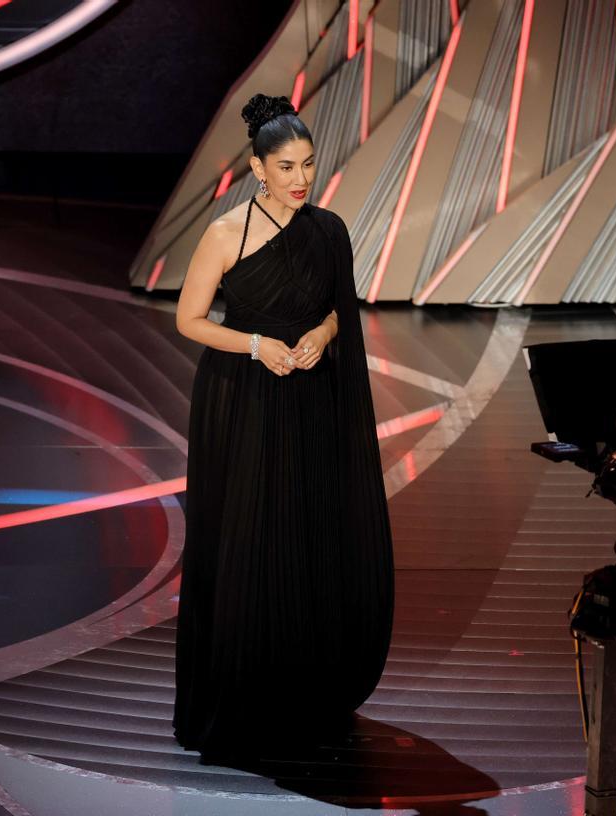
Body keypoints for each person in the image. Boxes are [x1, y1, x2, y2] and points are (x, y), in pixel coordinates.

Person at [172, 93, 394, 760]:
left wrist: (322, 336)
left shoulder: (328, 231)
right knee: (249, 539)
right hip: (243, 400)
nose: (302, 179)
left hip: (311, 398)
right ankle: (243, 695)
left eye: (310, 164)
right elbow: (189, 320)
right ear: (257, 168)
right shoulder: (225, 233)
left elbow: (336, 311)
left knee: (307, 537)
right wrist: (254, 345)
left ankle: (305, 690)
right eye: (288, 166)